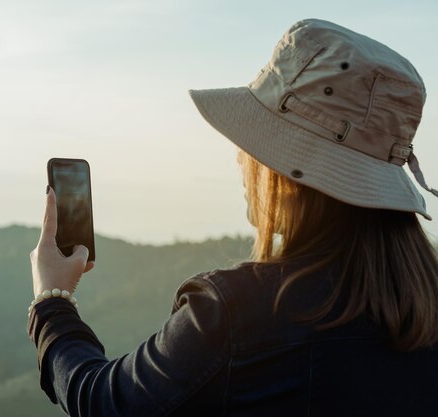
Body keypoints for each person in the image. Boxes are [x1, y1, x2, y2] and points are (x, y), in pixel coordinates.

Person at [27, 18, 438, 416]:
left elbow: (105, 401)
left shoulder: (235, 313)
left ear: (286, 177)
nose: (242, 158)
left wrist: (52, 300)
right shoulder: (425, 303)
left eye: (253, 142)